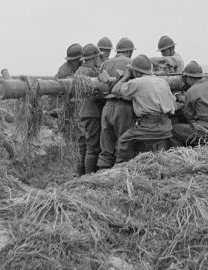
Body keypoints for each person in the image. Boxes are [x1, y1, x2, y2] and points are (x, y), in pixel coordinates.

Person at [111, 54, 175, 163]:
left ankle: (121, 168)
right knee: (160, 157)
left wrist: (126, 76)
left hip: (148, 127)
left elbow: (115, 90)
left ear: (135, 72)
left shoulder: (137, 82)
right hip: (166, 126)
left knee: (123, 141)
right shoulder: (162, 82)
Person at [166, 61, 208, 147]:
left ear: (189, 78)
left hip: (206, 131)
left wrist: (181, 103)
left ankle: (180, 155)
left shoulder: (191, 91)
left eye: (185, 78)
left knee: (173, 130)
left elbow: (188, 116)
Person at [97, 38, 136, 170]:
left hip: (107, 107)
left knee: (106, 147)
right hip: (124, 107)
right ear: (130, 51)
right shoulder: (132, 63)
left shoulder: (105, 64)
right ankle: (119, 178)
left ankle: (102, 177)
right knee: (123, 145)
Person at [74, 43, 105, 175]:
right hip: (92, 112)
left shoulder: (79, 71)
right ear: (94, 57)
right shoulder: (91, 72)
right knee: (92, 147)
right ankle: (89, 177)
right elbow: (96, 94)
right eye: (98, 57)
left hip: (81, 111)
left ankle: (81, 175)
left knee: (84, 146)